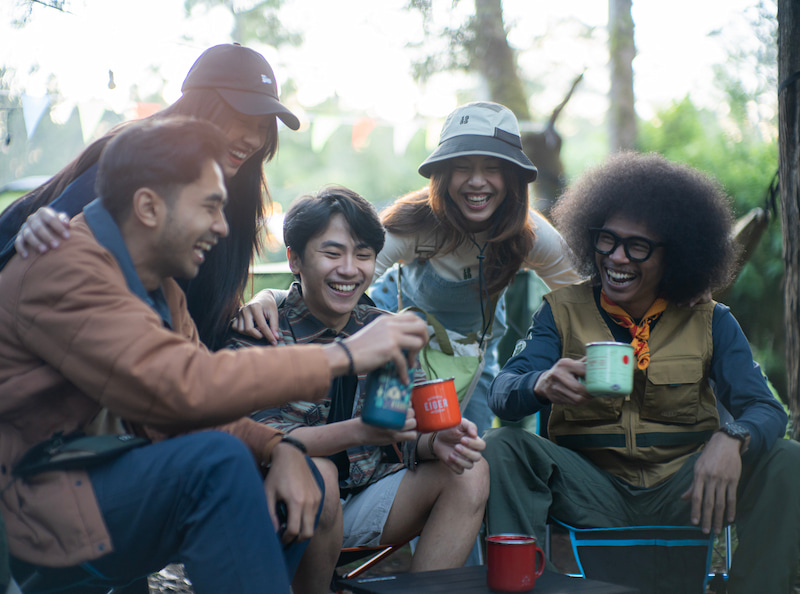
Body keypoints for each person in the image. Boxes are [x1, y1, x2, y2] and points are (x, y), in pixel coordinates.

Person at [0, 118, 428, 594]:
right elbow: (186, 384)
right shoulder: (66, 264)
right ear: (148, 207)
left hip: (89, 480)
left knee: (287, 475)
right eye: (210, 207)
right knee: (218, 462)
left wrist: (278, 448)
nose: (223, 228)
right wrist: (342, 356)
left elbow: (199, 410)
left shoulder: (159, 287)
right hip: (26, 500)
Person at [483, 151, 800, 593]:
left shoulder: (711, 320)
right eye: (606, 239)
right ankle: (523, 584)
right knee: (501, 446)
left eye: (638, 246)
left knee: (787, 459)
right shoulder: (560, 311)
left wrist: (733, 438)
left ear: (676, 255)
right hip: (591, 490)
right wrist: (538, 382)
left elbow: (767, 408)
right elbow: (501, 393)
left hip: (686, 492)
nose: (616, 257)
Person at [234, 101, 582, 438]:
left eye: (492, 168)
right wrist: (272, 296)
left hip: (474, 353)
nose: (477, 181)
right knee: (405, 443)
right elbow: (341, 276)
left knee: (472, 448)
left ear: (513, 179)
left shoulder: (529, 235)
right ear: (443, 175)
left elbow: (580, 295)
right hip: (402, 343)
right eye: (463, 167)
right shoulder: (413, 223)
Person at [229, 186, 489, 588]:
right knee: (320, 473)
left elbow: (403, 433)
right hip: (281, 506)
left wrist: (434, 443)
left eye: (363, 255)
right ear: (295, 259)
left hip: (369, 499)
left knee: (470, 470)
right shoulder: (262, 330)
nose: (349, 269)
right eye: (332, 253)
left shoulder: (385, 329)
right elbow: (262, 441)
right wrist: (358, 431)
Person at [0, 42, 299, 350]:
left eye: (262, 127)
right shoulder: (135, 161)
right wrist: (40, 226)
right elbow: (46, 243)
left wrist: (262, 300)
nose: (253, 139)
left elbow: (204, 298)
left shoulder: (233, 182)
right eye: (242, 119)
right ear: (203, 108)